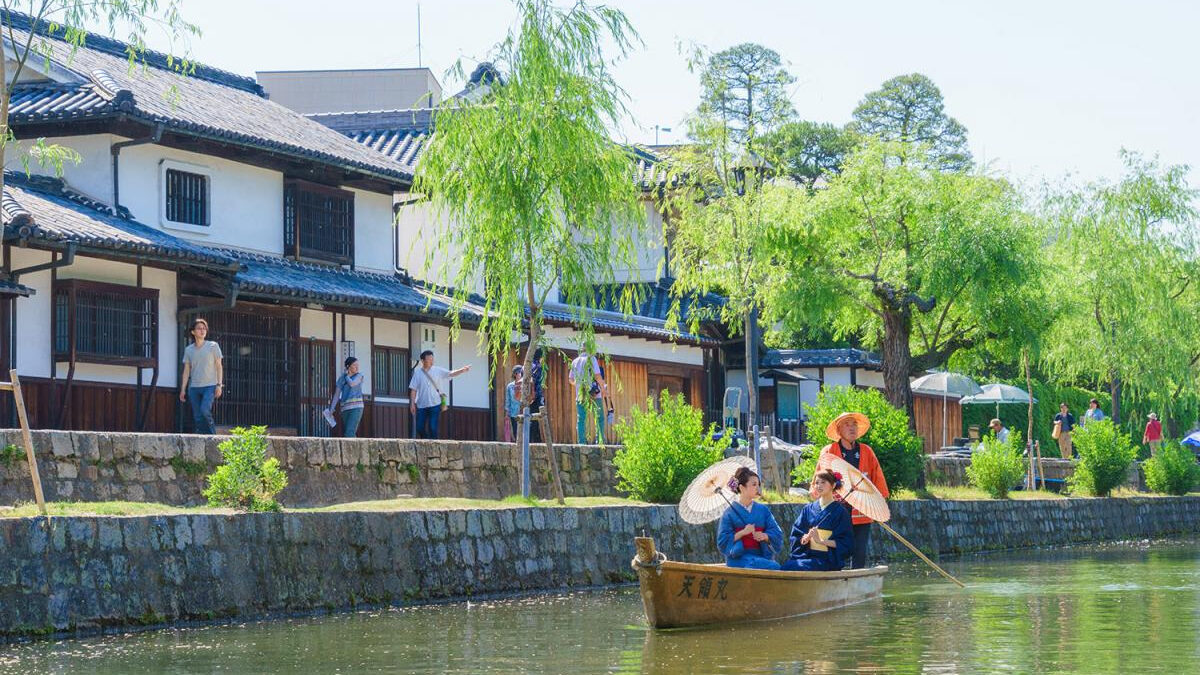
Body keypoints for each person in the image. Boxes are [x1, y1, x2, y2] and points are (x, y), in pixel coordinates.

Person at [812, 412, 888, 569]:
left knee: (859, 551)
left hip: (862, 509)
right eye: (847, 424)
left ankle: (856, 582)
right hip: (836, 510)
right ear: (839, 430)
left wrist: (880, 502)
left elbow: (877, 476)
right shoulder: (829, 451)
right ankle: (832, 578)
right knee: (835, 548)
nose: (852, 427)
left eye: (854, 424)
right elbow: (819, 478)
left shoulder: (867, 451)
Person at [782, 470, 854, 571]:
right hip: (807, 555)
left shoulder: (841, 512)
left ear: (833, 485)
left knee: (795, 567)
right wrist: (805, 539)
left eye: (823, 482)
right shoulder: (808, 509)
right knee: (788, 566)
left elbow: (846, 543)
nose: (819, 486)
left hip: (828, 559)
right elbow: (796, 534)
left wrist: (820, 541)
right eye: (817, 483)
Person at [716, 467, 783, 570]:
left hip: (761, 556)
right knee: (773, 567)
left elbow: (777, 532)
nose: (758, 488)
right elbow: (723, 541)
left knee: (774, 566)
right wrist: (743, 532)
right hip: (738, 558)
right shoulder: (729, 513)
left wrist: (765, 536)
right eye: (754, 484)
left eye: (758, 485)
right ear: (742, 488)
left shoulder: (763, 510)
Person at [408, 350, 471, 439]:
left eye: (432, 359)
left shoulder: (438, 370)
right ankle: (425, 442)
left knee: (432, 427)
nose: (431, 361)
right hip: (421, 404)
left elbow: (450, 373)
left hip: (435, 403)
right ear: (422, 361)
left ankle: (434, 445)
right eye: (429, 359)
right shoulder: (417, 373)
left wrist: (462, 370)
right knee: (419, 427)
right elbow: (413, 389)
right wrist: (412, 404)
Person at [179, 318, 223, 434]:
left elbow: (219, 366)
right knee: (197, 416)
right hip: (194, 387)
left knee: (205, 410)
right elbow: (186, 371)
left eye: (204, 328)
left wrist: (219, 385)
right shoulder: (189, 350)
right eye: (199, 328)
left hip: (210, 385)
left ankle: (213, 437)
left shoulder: (213, 346)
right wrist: (183, 389)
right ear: (193, 332)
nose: (202, 331)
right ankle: (203, 437)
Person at [568, 350, 608, 444]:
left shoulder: (575, 361)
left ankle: (581, 442)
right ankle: (600, 441)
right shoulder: (591, 359)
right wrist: (603, 389)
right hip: (594, 394)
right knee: (599, 418)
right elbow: (598, 376)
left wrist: (579, 385)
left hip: (581, 394)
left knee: (581, 419)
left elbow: (570, 379)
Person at [328, 356, 364, 438]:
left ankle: (353, 450)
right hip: (345, 408)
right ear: (348, 366)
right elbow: (336, 395)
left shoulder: (359, 376)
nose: (357, 367)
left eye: (357, 365)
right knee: (348, 432)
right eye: (355, 365)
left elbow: (352, 384)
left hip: (356, 407)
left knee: (349, 432)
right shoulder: (341, 378)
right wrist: (331, 408)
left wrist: (347, 376)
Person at [528, 348, 545, 443]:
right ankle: (536, 440)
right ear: (541, 357)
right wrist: (533, 394)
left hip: (527, 396)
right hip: (536, 395)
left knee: (530, 417)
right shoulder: (538, 366)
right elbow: (533, 381)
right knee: (536, 418)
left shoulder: (527, 366)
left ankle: (534, 439)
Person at [504, 365, 524, 442]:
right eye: (519, 372)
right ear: (515, 374)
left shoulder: (524, 384)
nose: (521, 374)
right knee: (516, 431)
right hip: (513, 412)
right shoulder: (510, 386)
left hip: (522, 411)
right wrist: (507, 412)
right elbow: (508, 400)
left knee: (524, 431)